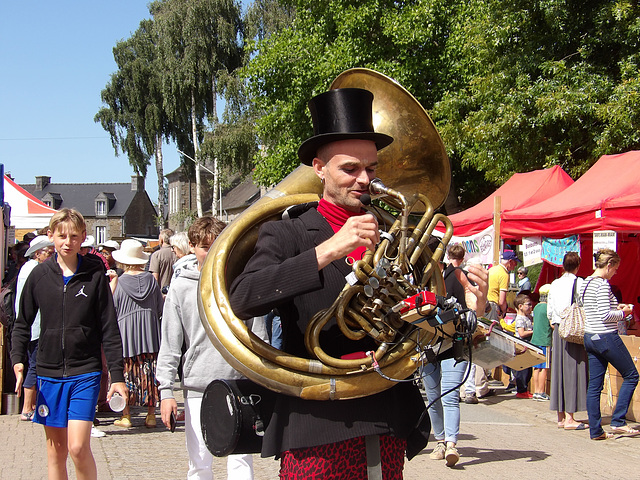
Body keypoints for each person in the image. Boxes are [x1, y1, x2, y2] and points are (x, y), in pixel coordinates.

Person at [229, 88, 458, 478]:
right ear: (319, 169)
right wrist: (326, 251)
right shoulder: (287, 234)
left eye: (371, 168)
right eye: (350, 169)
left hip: (385, 411)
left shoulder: (396, 237)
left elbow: (435, 314)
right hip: (316, 420)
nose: (364, 179)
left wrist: (460, 311)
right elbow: (243, 298)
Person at [11, 208, 127, 480]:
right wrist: (18, 360)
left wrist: (117, 376)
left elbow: (109, 327)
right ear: (50, 236)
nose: (68, 241)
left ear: (83, 237)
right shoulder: (38, 276)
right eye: (62, 235)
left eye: (74, 236)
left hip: (85, 372)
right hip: (48, 374)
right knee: (56, 451)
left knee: (77, 447)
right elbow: (21, 324)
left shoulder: (95, 274)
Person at [157, 217, 256, 480]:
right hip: (198, 385)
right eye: (204, 246)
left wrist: (261, 380)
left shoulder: (241, 284)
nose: (211, 252)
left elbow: (259, 337)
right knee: (199, 464)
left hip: (239, 383)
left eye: (217, 245)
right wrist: (166, 391)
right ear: (192, 247)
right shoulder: (180, 288)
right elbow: (170, 344)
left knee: (241, 462)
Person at [423, 243, 488, 467]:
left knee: (448, 395)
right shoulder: (418, 278)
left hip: (454, 341)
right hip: (428, 343)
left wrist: (479, 305)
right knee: (433, 396)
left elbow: (476, 306)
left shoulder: (457, 274)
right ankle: (440, 441)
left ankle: (451, 444)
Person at [580, 248, 638, 440]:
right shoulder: (603, 285)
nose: (616, 273)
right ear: (609, 265)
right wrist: (625, 313)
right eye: (615, 268)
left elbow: (596, 308)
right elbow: (605, 315)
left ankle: (596, 430)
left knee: (595, 386)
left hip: (590, 336)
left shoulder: (585, 283)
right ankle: (619, 421)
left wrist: (617, 307)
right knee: (631, 375)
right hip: (606, 336)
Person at [110, 239, 164, 429]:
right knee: (150, 373)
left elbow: (113, 309)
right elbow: (159, 307)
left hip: (126, 335)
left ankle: (126, 415)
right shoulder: (151, 280)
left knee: (127, 373)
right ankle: (151, 415)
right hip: (150, 334)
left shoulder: (120, 281)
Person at [14, 235, 55, 421]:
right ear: (38, 253)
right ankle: (27, 408)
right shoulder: (35, 270)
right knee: (34, 366)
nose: (51, 255)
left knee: (33, 364)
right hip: (36, 325)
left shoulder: (26, 268)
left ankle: (29, 406)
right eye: (49, 252)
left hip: (32, 326)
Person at [547, 252, 589, 430]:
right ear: (578, 265)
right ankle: (571, 417)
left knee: (558, 371)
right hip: (573, 329)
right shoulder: (580, 283)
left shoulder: (555, 284)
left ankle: (560, 416)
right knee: (573, 370)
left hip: (558, 328)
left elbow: (550, 309)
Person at [530, 284, 552, 401]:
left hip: (535, 340)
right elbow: (552, 325)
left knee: (536, 367)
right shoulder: (549, 308)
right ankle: (541, 391)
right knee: (544, 367)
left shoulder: (537, 307)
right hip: (545, 339)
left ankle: (535, 391)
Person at [513, 293, 534, 399]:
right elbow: (521, 333)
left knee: (528, 370)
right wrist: (532, 331)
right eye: (528, 305)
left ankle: (525, 389)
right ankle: (521, 390)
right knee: (523, 370)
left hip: (527, 346)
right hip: (522, 346)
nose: (531, 307)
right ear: (520, 306)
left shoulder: (528, 317)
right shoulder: (520, 319)